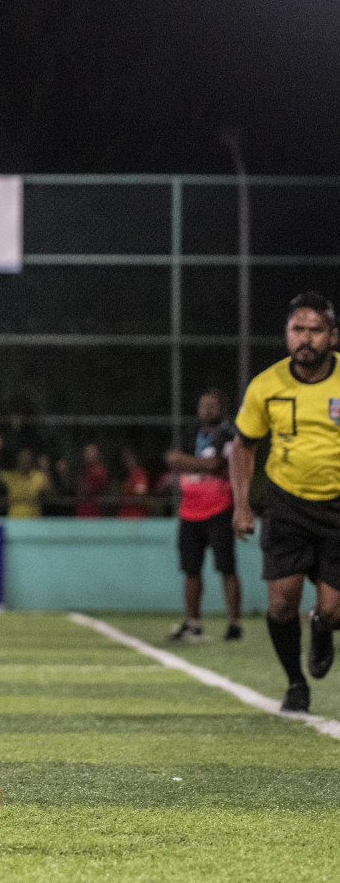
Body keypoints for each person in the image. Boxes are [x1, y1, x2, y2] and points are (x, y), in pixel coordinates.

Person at [230, 292, 340, 712]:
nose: (306, 338)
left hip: (337, 505)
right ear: (287, 335)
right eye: (298, 330)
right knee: (280, 602)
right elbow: (242, 447)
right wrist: (242, 504)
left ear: (332, 334)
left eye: (315, 330)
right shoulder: (266, 384)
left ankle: (322, 625)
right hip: (286, 503)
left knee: (333, 611)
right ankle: (295, 683)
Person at [164, 389, 241, 642]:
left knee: (226, 568)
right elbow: (171, 458)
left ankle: (234, 623)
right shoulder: (191, 434)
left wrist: (189, 462)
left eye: (212, 405)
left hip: (219, 508)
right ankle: (193, 622)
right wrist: (201, 464)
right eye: (202, 405)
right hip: (189, 511)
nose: (206, 410)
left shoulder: (229, 434)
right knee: (190, 569)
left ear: (224, 409)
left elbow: (219, 464)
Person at [0, 438, 49, 518]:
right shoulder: (11, 477)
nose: (25, 460)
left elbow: (49, 491)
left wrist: (45, 469)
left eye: (28, 456)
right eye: (23, 457)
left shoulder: (37, 476)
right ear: (18, 459)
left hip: (34, 524)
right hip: (15, 523)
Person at [75, 443, 109, 517]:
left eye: (89, 452)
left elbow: (85, 489)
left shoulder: (99, 472)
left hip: (93, 513)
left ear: (97, 454)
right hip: (82, 511)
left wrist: (79, 480)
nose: (86, 454)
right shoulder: (85, 469)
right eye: (85, 452)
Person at [118, 448, 151, 518]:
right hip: (124, 517)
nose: (126, 461)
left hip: (135, 517)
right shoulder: (129, 475)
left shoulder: (139, 473)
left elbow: (140, 495)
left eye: (128, 458)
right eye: (124, 459)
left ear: (135, 458)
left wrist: (126, 500)